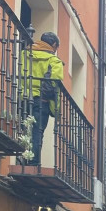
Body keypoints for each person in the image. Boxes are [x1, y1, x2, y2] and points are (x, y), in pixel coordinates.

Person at [26, 32, 63, 165]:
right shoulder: (54, 60)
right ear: (53, 45)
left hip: (23, 98)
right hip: (41, 101)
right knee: (37, 132)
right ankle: (32, 163)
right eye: (57, 47)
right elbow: (53, 83)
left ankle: (24, 159)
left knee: (25, 130)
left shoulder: (25, 54)